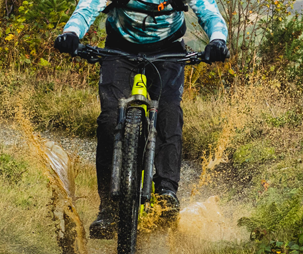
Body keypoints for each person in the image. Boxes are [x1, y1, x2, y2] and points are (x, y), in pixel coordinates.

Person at [54, 0, 228, 239]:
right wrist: (71, 33)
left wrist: (218, 39)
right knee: (109, 119)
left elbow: (209, 12)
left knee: (168, 112)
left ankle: (166, 193)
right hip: (119, 49)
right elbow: (89, 6)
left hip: (168, 51)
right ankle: (108, 208)